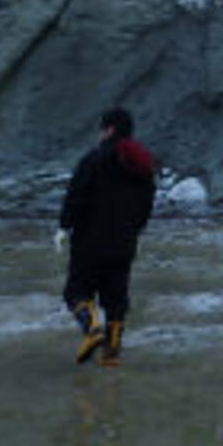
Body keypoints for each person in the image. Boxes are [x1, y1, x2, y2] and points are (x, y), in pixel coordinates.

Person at [59, 106, 158, 366]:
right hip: (125, 241)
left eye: (102, 128)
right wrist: (137, 228)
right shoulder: (140, 162)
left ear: (110, 129)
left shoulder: (93, 159)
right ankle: (111, 352)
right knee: (116, 296)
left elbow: (75, 195)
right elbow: (148, 200)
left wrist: (63, 226)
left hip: (90, 241)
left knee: (76, 291)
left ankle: (92, 328)